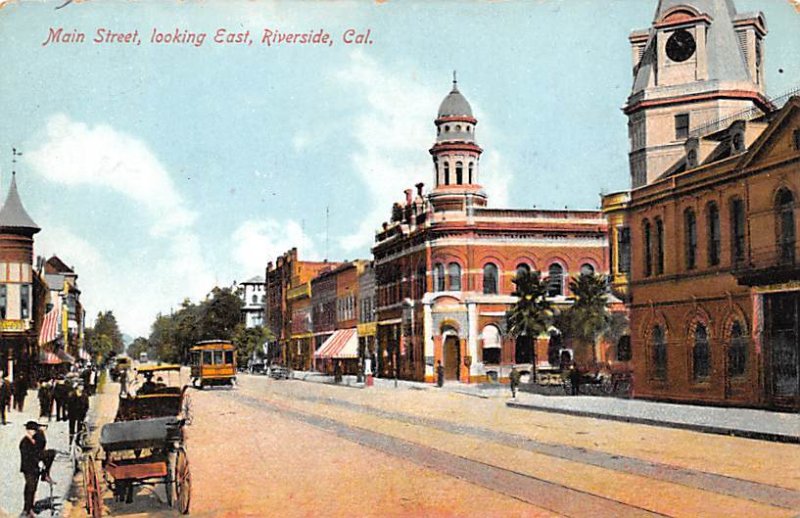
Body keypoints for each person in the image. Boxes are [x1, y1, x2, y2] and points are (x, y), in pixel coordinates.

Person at [20, 421, 40, 517]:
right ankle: (27, 509)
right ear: (28, 430)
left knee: (32, 487)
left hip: (34, 468)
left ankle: (29, 507)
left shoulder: (34, 440)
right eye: (32, 430)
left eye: (35, 430)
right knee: (30, 487)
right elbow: (27, 457)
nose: (34, 432)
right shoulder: (24, 442)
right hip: (28, 468)